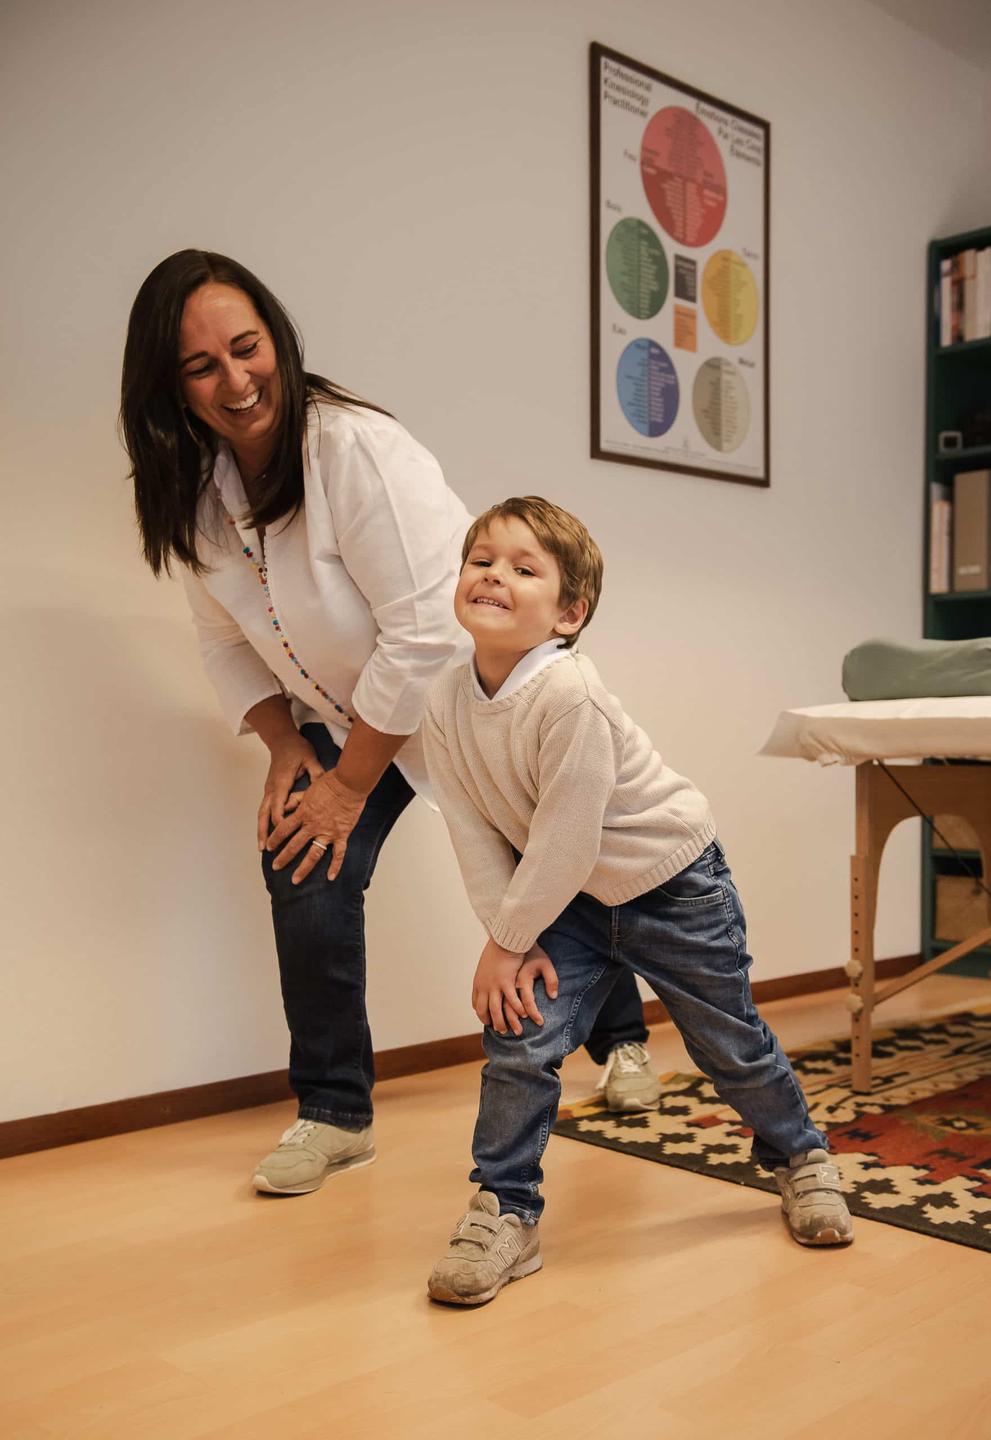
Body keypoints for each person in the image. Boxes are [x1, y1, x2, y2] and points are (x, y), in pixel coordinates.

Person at [119, 251, 657, 1197]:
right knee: (302, 861)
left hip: (467, 698)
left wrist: (347, 784)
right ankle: (335, 1114)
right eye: (202, 366)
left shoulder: (354, 448)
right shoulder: (195, 489)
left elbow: (422, 633)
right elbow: (224, 639)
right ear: (169, 386)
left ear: (277, 339)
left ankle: (620, 1042)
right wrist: (288, 747)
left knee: (550, 867)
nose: (236, 382)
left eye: (247, 348)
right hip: (345, 712)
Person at [422, 496, 853, 1306]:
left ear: (568, 615)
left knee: (729, 1044)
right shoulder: (443, 701)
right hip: (567, 901)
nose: (493, 575)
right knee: (519, 1037)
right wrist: (508, 937)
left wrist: (507, 939)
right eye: (481, 560)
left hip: (672, 886)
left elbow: (567, 837)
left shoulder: (569, 695)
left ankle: (800, 1156)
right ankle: (505, 1209)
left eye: (523, 568)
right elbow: (470, 826)